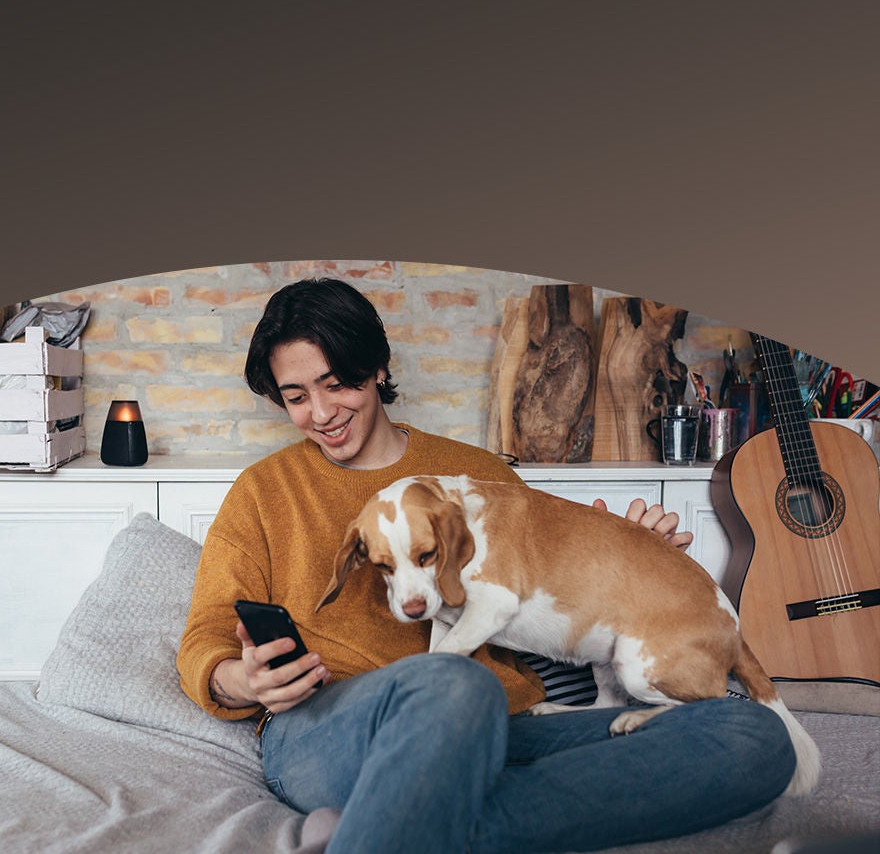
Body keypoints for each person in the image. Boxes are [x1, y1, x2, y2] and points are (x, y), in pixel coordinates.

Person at [177, 278, 795, 852]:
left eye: (337, 384)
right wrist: (244, 682)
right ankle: (425, 813)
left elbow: (548, 586)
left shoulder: (478, 477)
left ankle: (405, 824)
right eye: (296, 397)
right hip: (331, 730)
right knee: (453, 679)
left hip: (502, 728)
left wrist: (630, 565)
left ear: (378, 368)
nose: (320, 412)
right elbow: (206, 636)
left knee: (753, 736)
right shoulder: (263, 492)